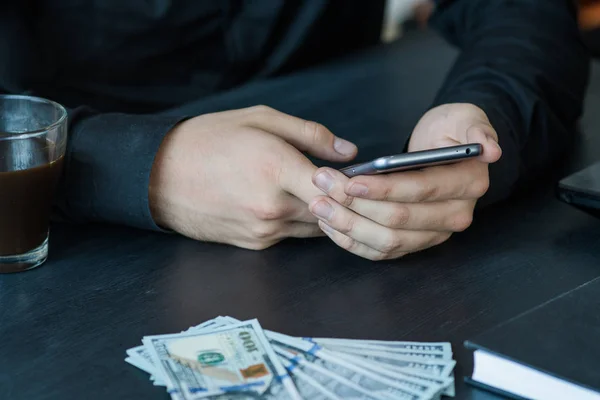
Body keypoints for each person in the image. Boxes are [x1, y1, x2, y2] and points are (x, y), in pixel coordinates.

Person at [1, 0, 589, 260]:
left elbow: (524, 12)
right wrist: (146, 167)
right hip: (54, 248)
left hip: (356, 244)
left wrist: (484, 113)